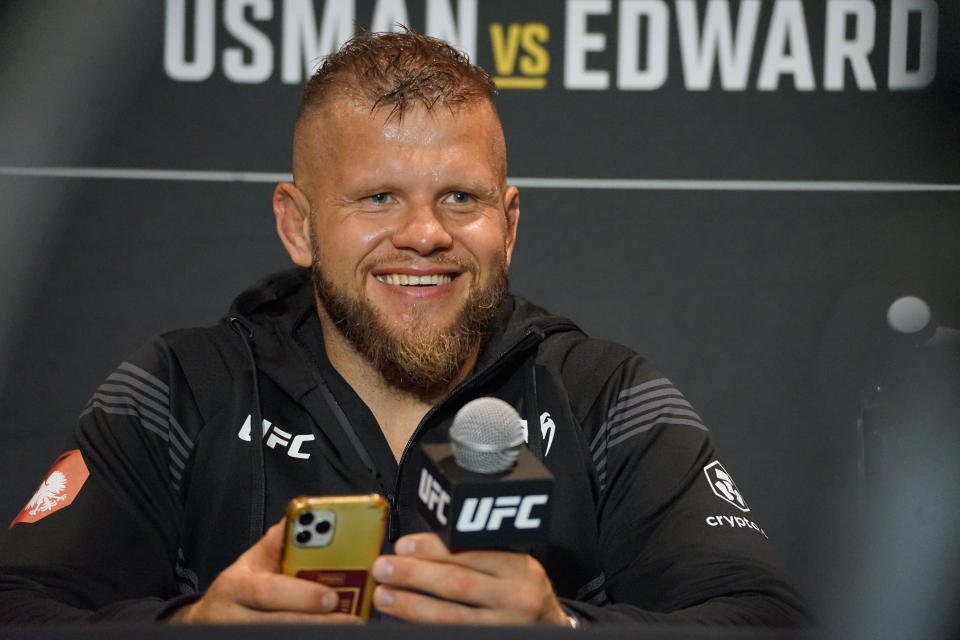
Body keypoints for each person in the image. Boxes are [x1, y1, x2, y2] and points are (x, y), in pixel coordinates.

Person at [0, 31, 811, 626]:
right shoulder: (180, 389)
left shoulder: (605, 395)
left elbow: (760, 620)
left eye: (461, 197)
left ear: (511, 220)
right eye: (378, 197)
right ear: (299, 225)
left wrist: (564, 629)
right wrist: (192, 628)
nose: (425, 233)